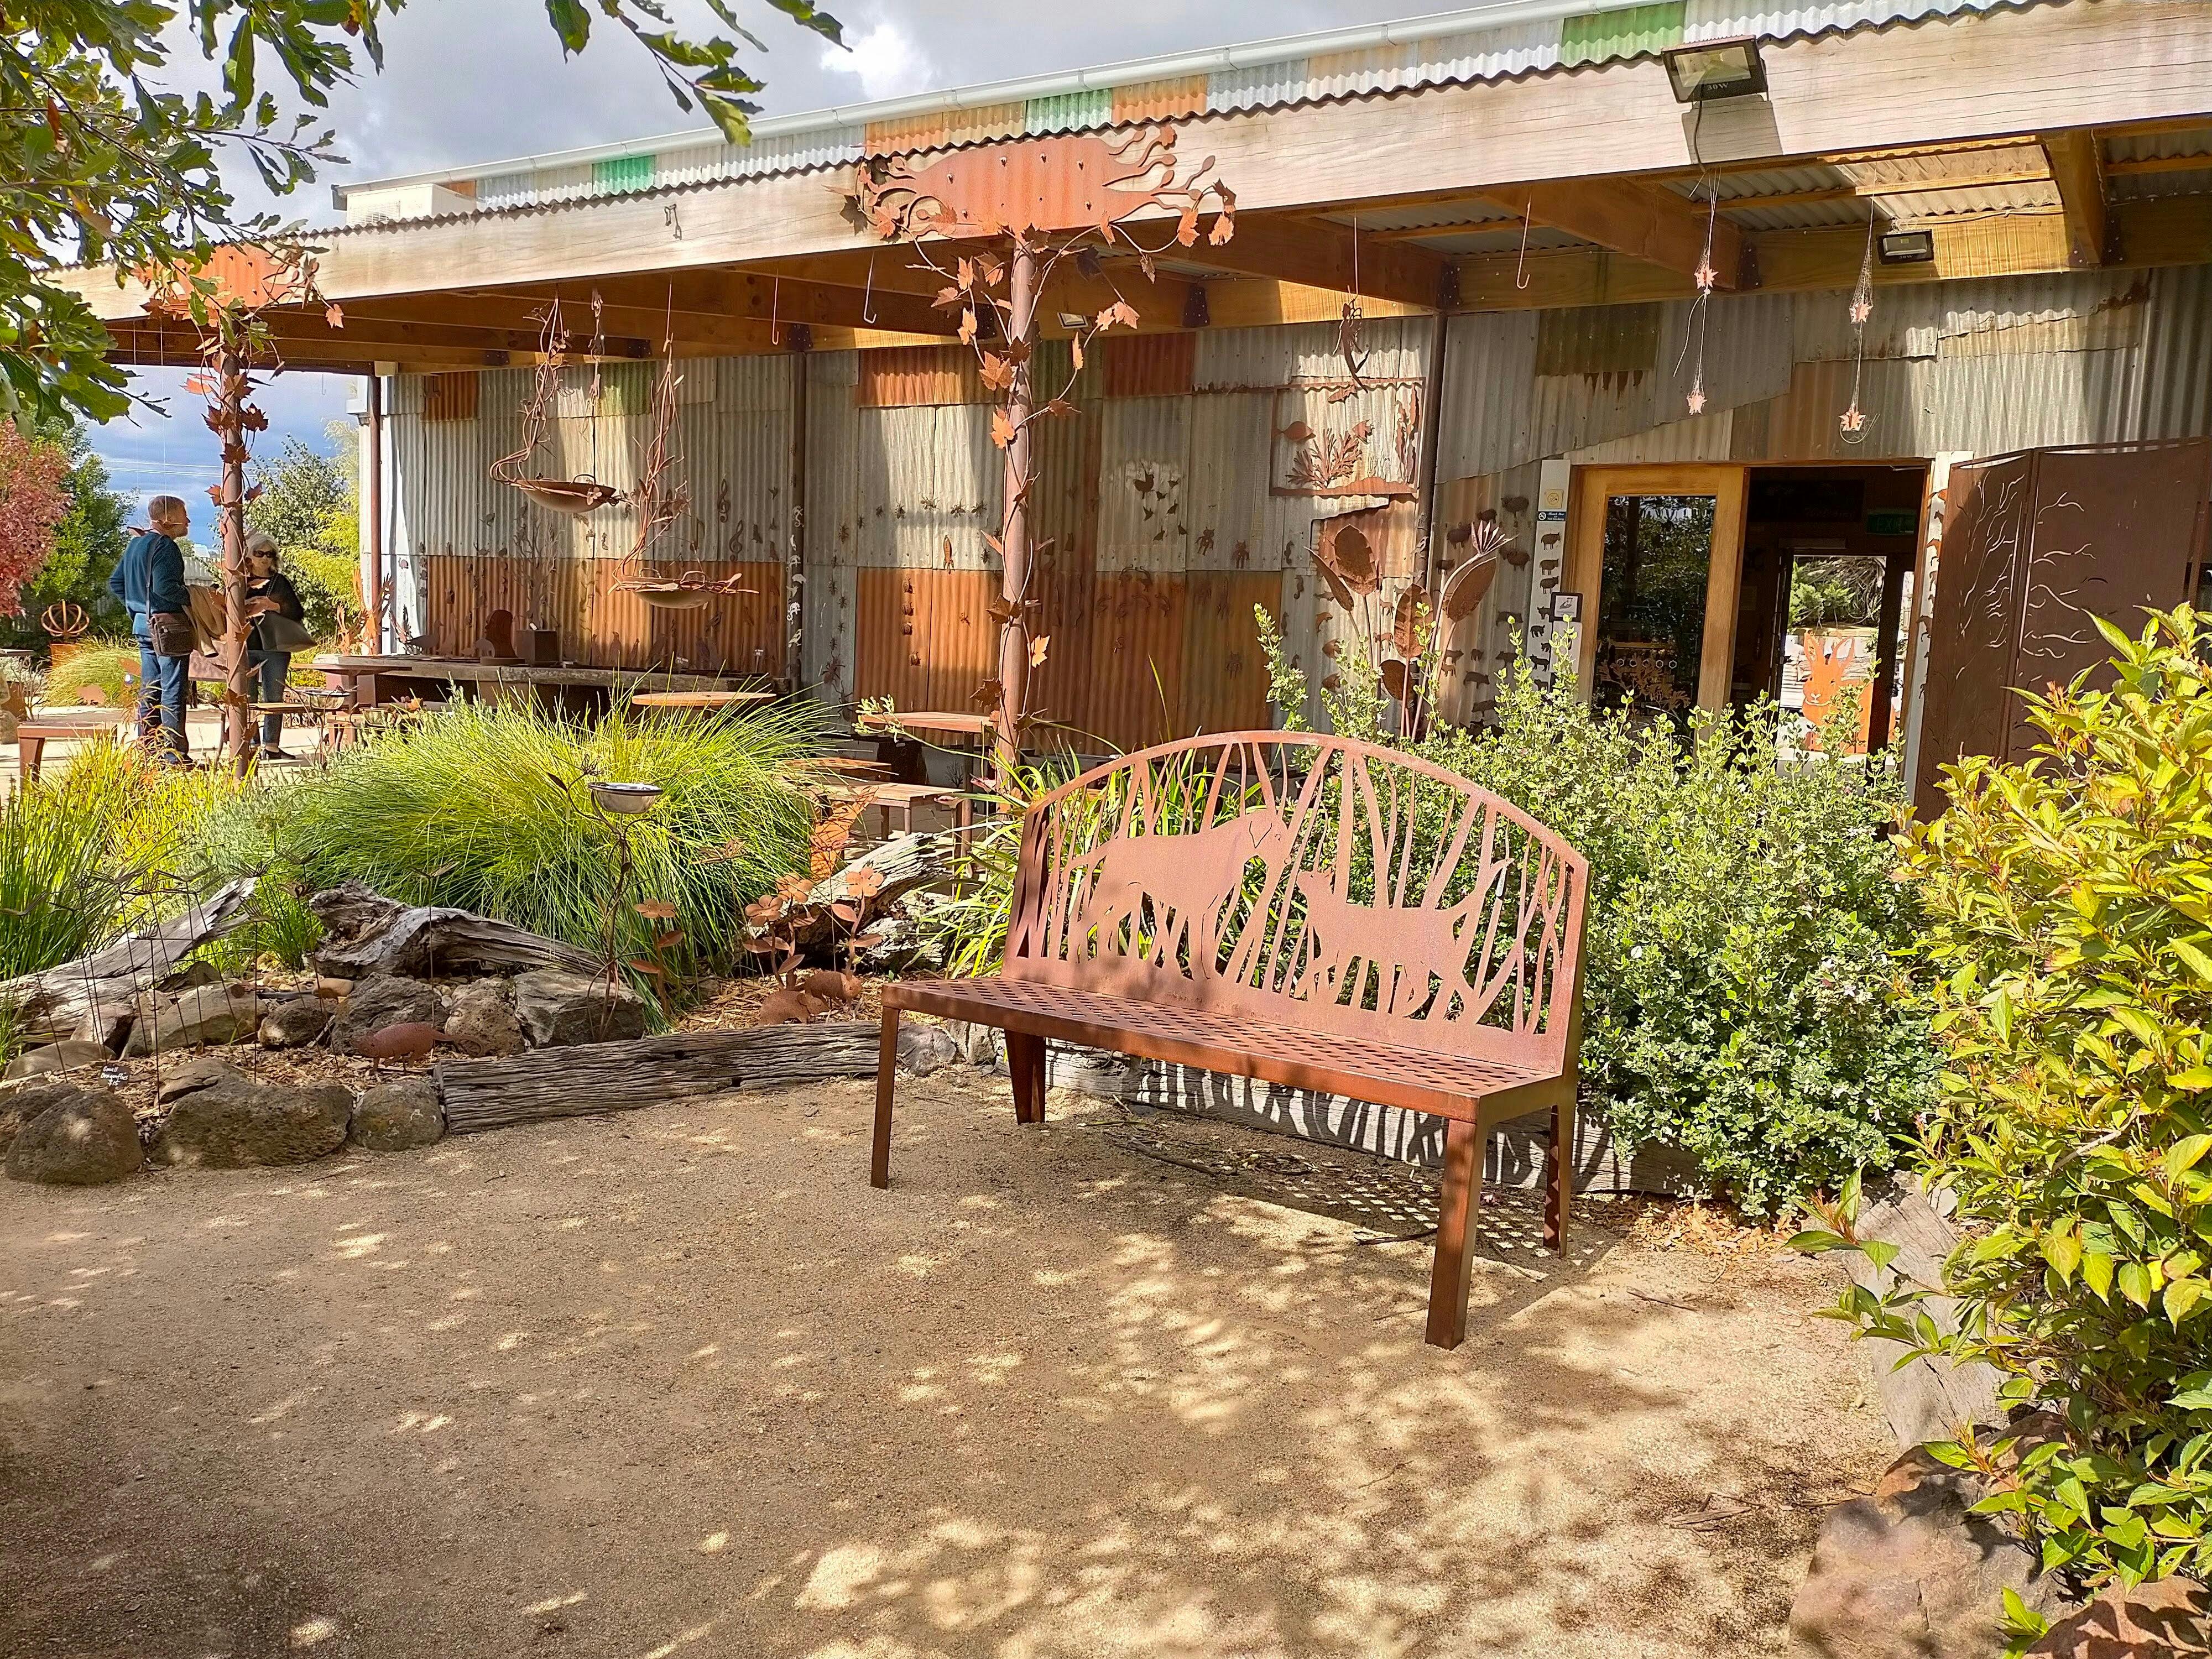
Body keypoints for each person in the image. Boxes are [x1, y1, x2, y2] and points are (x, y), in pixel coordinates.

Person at [107, 495, 193, 762]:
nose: (188, 521)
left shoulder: (135, 545)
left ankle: (147, 749)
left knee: (150, 688)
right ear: (169, 519)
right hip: (168, 627)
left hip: (143, 627)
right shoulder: (166, 547)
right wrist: (195, 597)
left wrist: (136, 609)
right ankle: (173, 756)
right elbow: (166, 589)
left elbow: (115, 583)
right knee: (172, 688)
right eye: (184, 514)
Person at [243, 531, 309, 758]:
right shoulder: (239, 580)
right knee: (246, 698)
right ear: (249, 555)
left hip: (276, 647)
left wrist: (274, 606)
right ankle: (250, 744)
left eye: (269, 555)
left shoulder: (280, 582)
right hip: (245, 645)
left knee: (274, 697)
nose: (264, 559)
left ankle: (271, 746)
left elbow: (298, 612)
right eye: (258, 553)